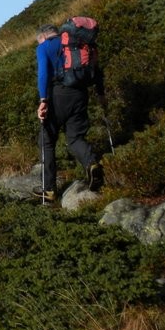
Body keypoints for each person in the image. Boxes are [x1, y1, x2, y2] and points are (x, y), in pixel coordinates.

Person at [35, 24, 105, 203]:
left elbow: (43, 73)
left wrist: (43, 100)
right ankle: (91, 163)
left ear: (43, 36)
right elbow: (96, 69)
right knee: (75, 138)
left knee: (47, 140)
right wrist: (101, 94)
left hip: (58, 94)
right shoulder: (79, 43)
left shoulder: (44, 47)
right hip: (81, 94)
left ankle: (49, 190)